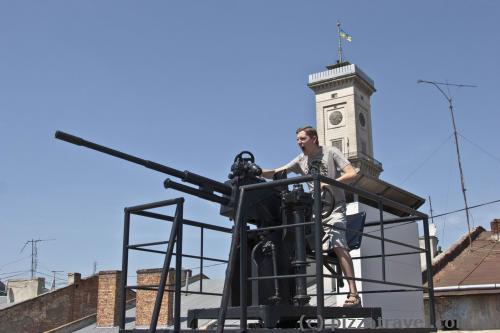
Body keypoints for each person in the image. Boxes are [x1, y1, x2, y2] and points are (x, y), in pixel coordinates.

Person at [261, 126, 361, 307]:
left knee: (338, 243)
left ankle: (353, 293)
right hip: (313, 213)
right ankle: (295, 297)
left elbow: (352, 173)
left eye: (302, 139)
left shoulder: (331, 152)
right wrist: (257, 171)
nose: (299, 142)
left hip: (334, 208)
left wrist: (330, 184)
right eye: (297, 140)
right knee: (291, 244)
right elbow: (278, 173)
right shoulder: (301, 160)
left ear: (313, 139)